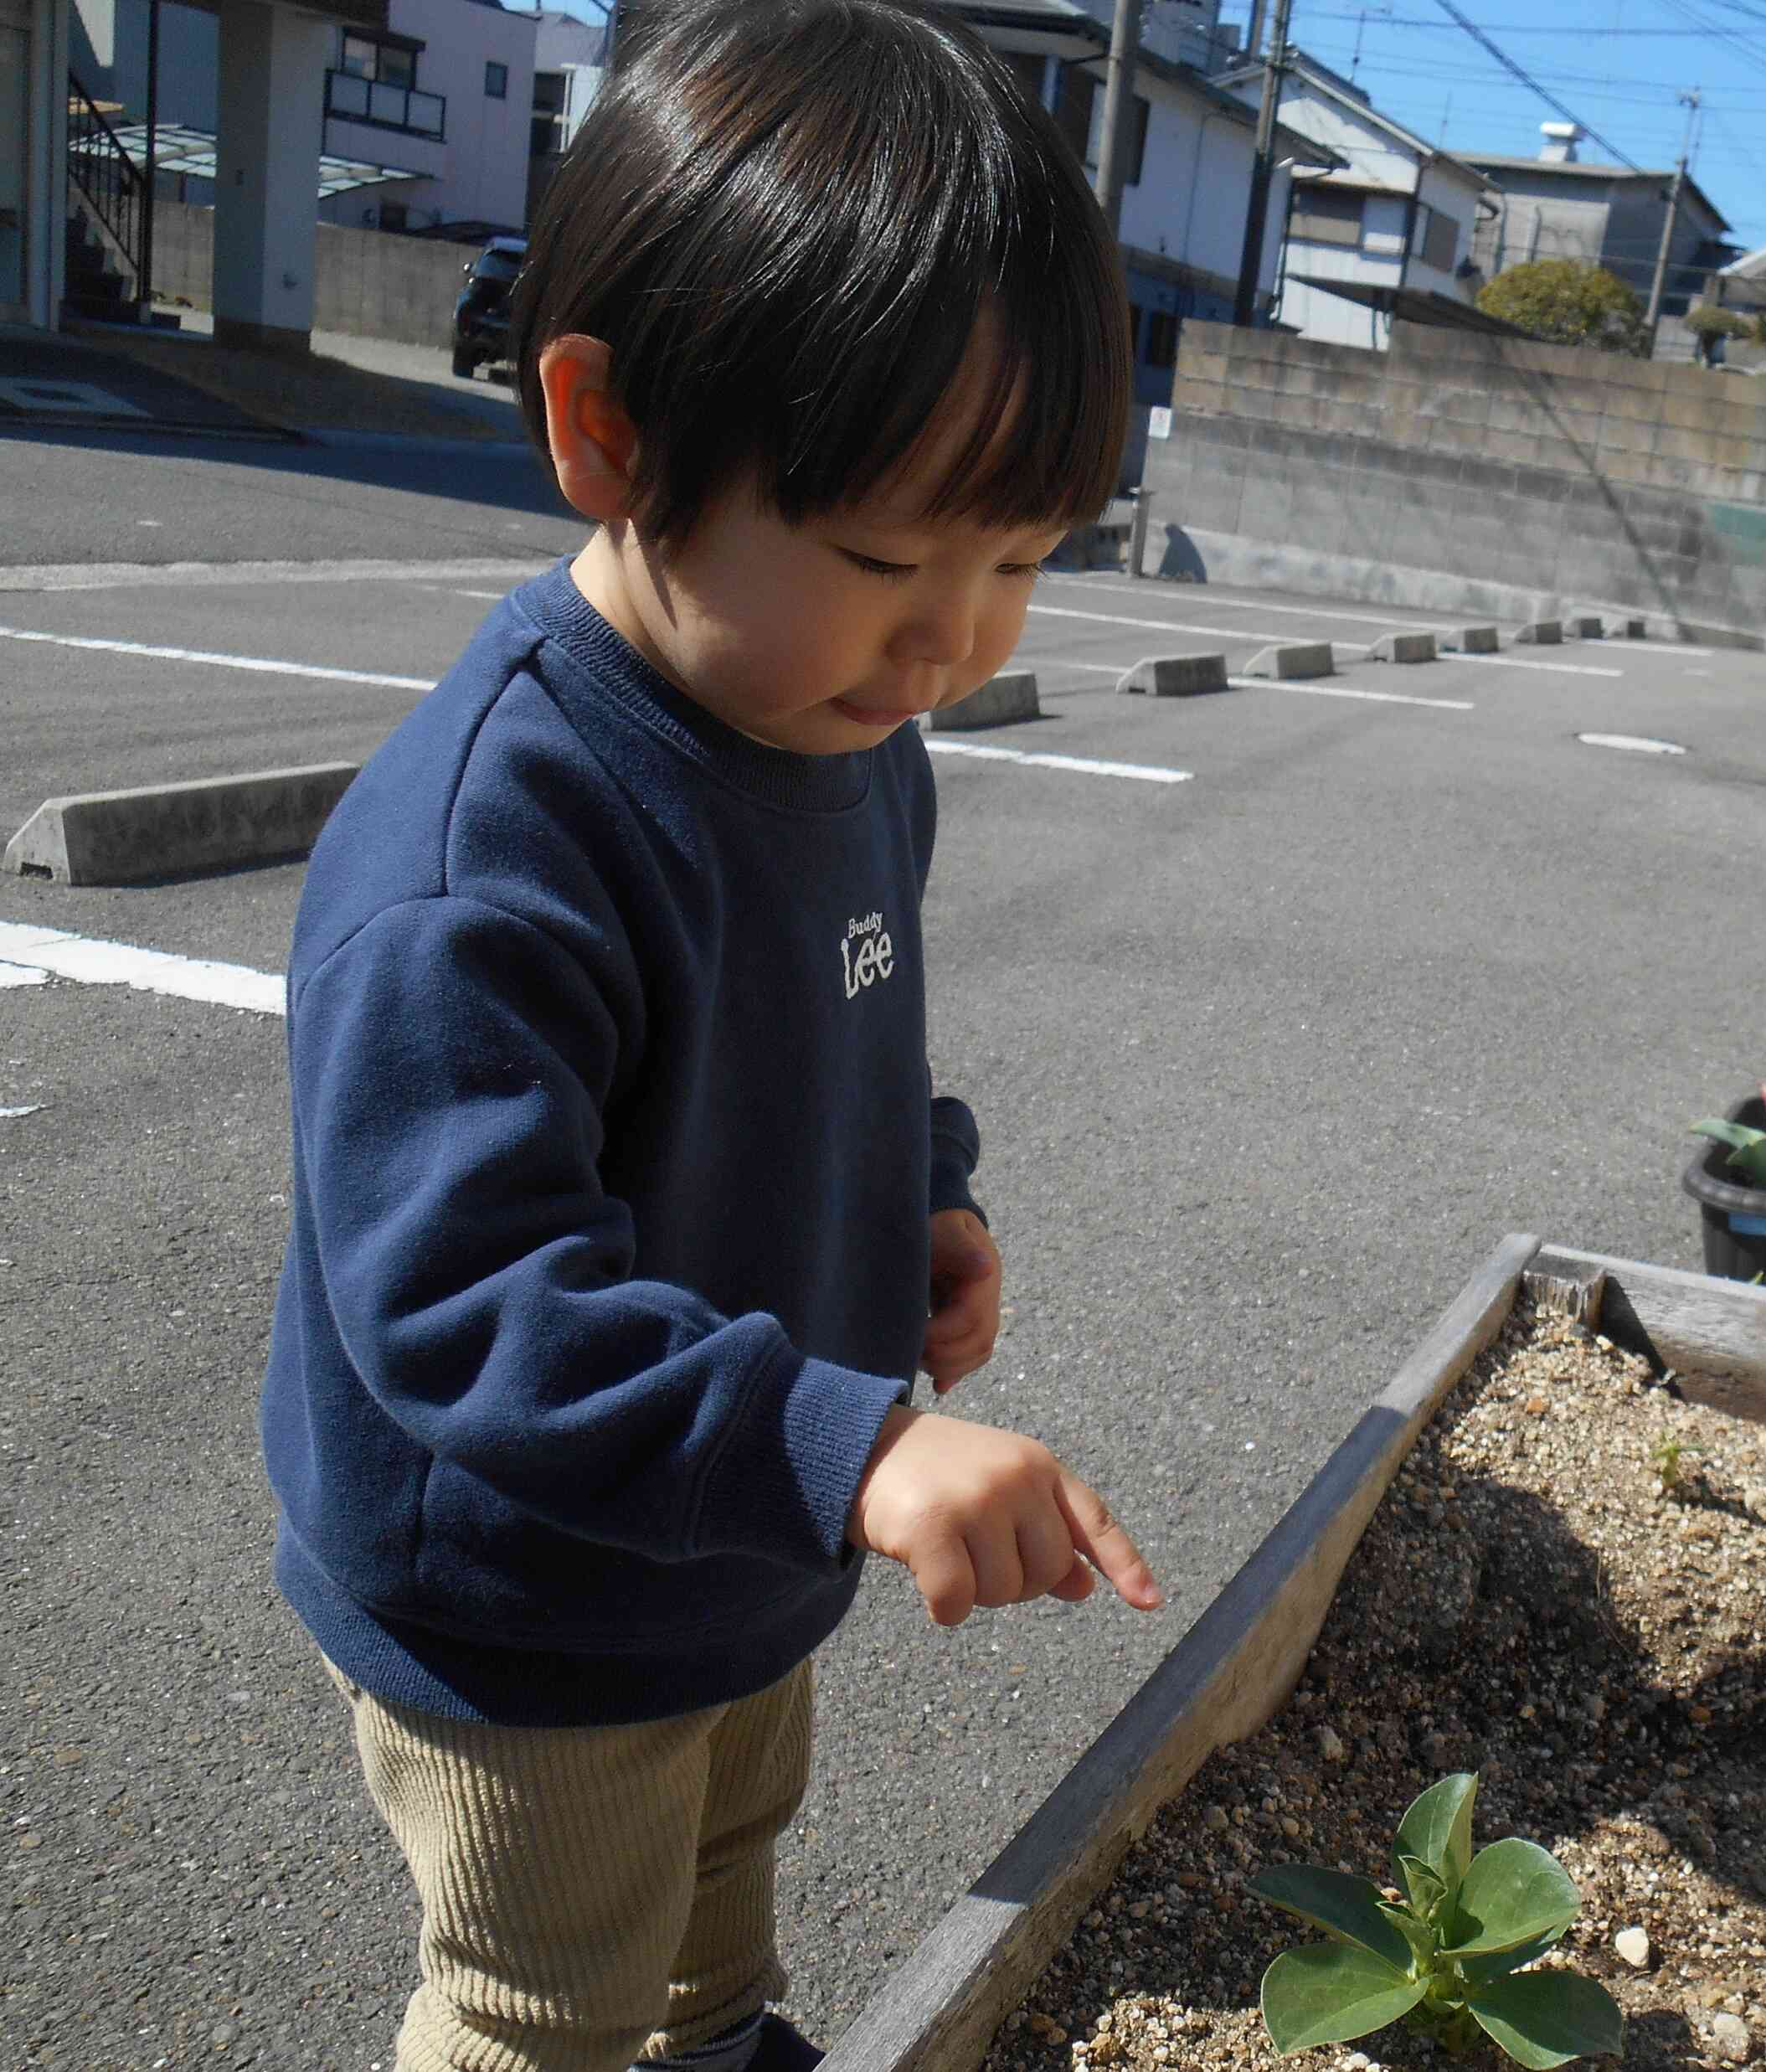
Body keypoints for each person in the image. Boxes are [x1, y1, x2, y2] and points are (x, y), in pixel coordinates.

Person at [256, 6, 1159, 2068]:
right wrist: (854, 1446)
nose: (951, 636)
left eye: (1021, 559)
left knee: (714, 1886)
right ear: (607, 433)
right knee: (536, 1994)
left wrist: (917, 1195)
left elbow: (850, 1023)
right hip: (532, 1594)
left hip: (736, 1523)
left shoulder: (844, 726)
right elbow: (468, 1301)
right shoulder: (494, 842)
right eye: (879, 554)